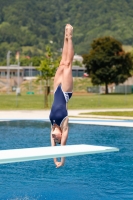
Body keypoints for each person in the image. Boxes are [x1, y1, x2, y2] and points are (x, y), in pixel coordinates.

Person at [49, 24, 74, 168]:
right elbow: (61, 148)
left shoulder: (52, 125)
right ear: (60, 138)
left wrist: (54, 160)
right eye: (56, 138)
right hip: (65, 92)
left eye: (54, 138)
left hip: (55, 89)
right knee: (68, 64)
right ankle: (70, 36)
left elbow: (52, 147)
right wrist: (61, 161)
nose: (53, 137)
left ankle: (65, 37)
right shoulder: (64, 126)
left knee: (62, 62)